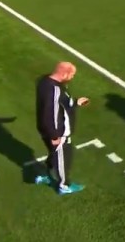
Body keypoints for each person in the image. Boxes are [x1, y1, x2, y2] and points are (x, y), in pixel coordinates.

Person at [35, 61, 90, 194]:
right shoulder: (55, 90)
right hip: (57, 132)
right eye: (72, 75)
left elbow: (61, 102)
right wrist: (54, 136)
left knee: (54, 154)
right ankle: (63, 186)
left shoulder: (45, 81)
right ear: (64, 74)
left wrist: (75, 102)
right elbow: (50, 114)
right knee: (64, 157)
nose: (72, 77)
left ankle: (44, 175)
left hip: (45, 129)